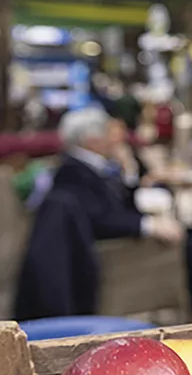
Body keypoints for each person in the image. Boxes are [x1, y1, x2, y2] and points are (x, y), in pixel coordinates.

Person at [14, 108, 182, 320]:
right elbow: (100, 219)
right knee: (190, 246)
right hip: (109, 258)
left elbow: (120, 205)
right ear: (91, 140)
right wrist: (147, 225)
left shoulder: (92, 166)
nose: (114, 139)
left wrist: (128, 171)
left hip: (107, 250)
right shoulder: (73, 173)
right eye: (107, 133)